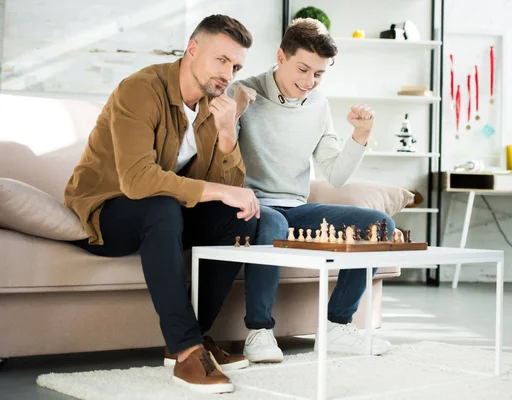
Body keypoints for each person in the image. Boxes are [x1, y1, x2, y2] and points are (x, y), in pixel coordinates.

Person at [65, 14, 260, 394]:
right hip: (104, 210)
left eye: (236, 66)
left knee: (240, 218)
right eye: (221, 60)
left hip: (161, 214)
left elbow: (226, 189)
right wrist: (219, 191)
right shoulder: (141, 89)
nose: (229, 73)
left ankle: (190, 340)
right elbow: (137, 181)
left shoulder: (212, 106)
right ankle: (188, 352)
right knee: (162, 206)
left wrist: (225, 134)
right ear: (192, 50)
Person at [230, 18, 395, 363]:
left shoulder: (319, 105)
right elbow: (217, 152)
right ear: (281, 56)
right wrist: (235, 113)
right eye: (303, 69)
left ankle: (337, 326)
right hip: (252, 206)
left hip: (297, 208)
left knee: (380, 226)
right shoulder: (242, 92)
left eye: (318, 74)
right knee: (273, 225)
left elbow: (334, 174)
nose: (309, 82)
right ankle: (258, 331)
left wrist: (360, 135)